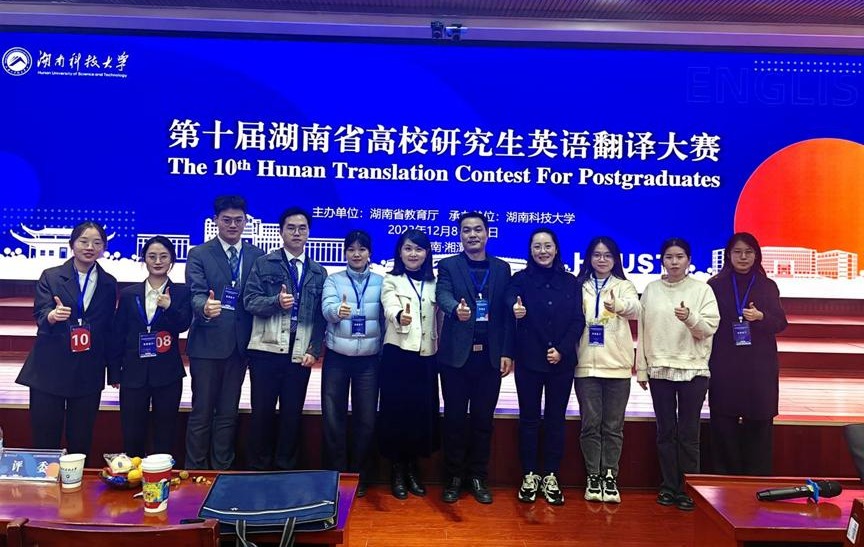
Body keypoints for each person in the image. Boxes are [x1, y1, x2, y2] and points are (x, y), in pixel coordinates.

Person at [16, 221, 117, 459]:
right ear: (72, 244)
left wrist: (113, 372)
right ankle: (45, 480)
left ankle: (75, 480)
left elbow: (109, 330)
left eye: (97, 243)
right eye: (84, 241)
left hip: (88, 369)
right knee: (45, 437)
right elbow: (40, 313)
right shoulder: (51, 276)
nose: (90, 247)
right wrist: (52, 316)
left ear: (103, 248)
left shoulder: (108, 283)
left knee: (81, 438)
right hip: (50, 368)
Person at [436, 212, 515, 504]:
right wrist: (454, 309)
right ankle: (454, 478)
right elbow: (442, 294)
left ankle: (478, 476)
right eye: (467, 230)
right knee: (454, 420)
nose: (472, 235)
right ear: (460, 235)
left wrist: (507, 351)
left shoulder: (502, 268)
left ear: (487, 234)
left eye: (478, 230)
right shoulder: (448, 265)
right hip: (456, 358)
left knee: (483, 420)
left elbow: (506, 315)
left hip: (490, 358)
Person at [636, 237, 719, 511]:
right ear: (662, 260)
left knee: (688, 433)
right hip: (660, 368)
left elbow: (709, 328)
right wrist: (642, 369)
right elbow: (643, 332)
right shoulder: (651, 289)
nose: (674, 262)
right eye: (669, 257)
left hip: (694, 369)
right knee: (666, 432)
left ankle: (687, 489)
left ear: (689, 260)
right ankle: (668, 486)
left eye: (680, 256)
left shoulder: (702, 290)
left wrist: (690, 318)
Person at [244, 207, 327, 470]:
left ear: (309, 232)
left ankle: (285, 470)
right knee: (262, 412)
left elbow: (320, 318)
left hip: (299, 351)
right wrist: (275, 302)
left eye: (302, 228)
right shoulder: (264, 263)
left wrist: (314, 349)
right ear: (281, 231)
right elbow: (249, 301)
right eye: (291, 227)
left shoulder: (318, 272)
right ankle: (258, 469)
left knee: (292, 414)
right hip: (266, 350)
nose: (296, 233)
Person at [184, 195, 264, 470]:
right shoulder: (199, 253)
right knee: (202, 411)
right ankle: (195, 469)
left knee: (228, 412)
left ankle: (221, 469)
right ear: (215, 220)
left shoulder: (257, 255)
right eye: (226, 220)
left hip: (240, 346)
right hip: (207, 343)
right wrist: (204, 307)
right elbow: (195, 293)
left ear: (245, 221)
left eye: (238, 220)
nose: (232, 225)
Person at [506, 228, 584, 505]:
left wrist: (562, 350)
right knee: (528, 419)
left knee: (555, 420)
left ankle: (550, 474)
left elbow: (577, 320)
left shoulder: (570, 281)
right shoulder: (520, 279)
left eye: (547, 246)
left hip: (561, 363)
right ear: (530, 250)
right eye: (537, 246)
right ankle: (529, 474)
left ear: (556, 249)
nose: (542, 251)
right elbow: (508, 300)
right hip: (529, 360)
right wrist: (514, 309)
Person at [707, 232, 787, 476]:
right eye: (737, 252)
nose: (743, 257)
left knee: (759, 421)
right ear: (728, 255)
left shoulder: (767, 285)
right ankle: (725, 479)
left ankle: (757, 479)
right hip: (725, 363)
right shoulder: (715, 285)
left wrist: (761, 317)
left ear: (756, 255)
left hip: (759, 366)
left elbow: (780, 323)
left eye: (748, 252)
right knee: (724, 421)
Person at [109, 236, 192, 456]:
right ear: (144, 259)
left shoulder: (182, 293)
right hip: (133, 372)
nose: (157, 261)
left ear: (172, 260)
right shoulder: (129, 294)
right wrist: (114, 372)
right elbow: (118, 334)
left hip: (167, 373)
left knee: (165, 431)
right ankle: (133, 471)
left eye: (163, 256)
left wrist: (170, 307)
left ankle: (160, 472)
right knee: (132, 430)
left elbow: (183, 325)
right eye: (152, 256)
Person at [574, 236, 640, 504]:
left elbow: (636, 309)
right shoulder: (579, 285)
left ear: (615, 259)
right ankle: (593, 476)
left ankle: (610, 475)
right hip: (586, 366)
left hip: (617, 367)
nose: (602, 260)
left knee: (613, 427)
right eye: (597, 255)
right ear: (589, 258)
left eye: (607, 255)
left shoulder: (624, 285)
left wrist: (618, 306)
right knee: (590, 425)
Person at [378, 229, 441, 500]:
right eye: (408, 249)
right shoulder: (391, 279)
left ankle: (414, 469)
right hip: (398, 355)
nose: (413, 254)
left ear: (426, 253)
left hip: (426, 356)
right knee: (397, 414)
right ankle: (397, 469)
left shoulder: (435, 282)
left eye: (418, 249)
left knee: (420, 415)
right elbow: (389, 305)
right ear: (399, 252)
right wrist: (398, 316)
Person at [320, 230, 383, 496]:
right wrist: (337, 311)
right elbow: (326, 308)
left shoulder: (382, 281)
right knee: (333, 416)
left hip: (369, 360)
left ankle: (359, 474)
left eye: (362, 249)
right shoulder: (333, 280)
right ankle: (336, 473)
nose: (356, 254)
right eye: (351, 249)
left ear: (370, 253)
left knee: (366, 418)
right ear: (345, 253)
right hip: (337, 358)